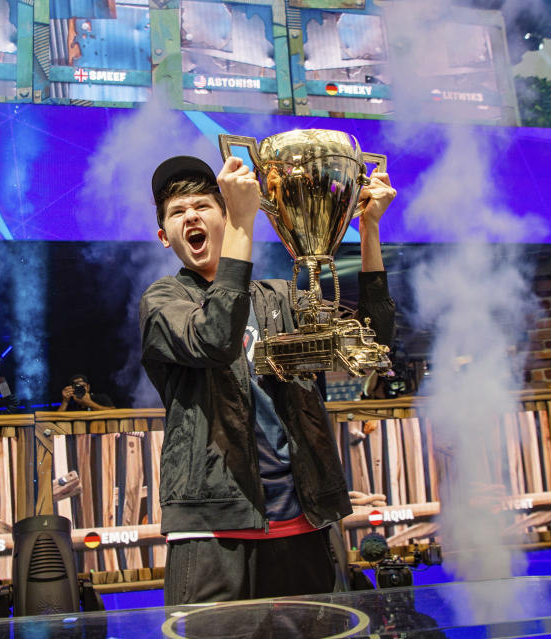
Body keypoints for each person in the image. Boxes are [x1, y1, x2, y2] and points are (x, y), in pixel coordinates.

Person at [139, 153, 396, 604]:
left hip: (303, 518)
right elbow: (217, 338)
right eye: (178, 213)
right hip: (214, 532)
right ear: (164, 237)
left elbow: (372, 342)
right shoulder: (163, 301)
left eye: (204, 205)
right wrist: (242, 224)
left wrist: (370, 229)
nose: (191, 216)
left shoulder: (279, 297)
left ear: (222, 215)